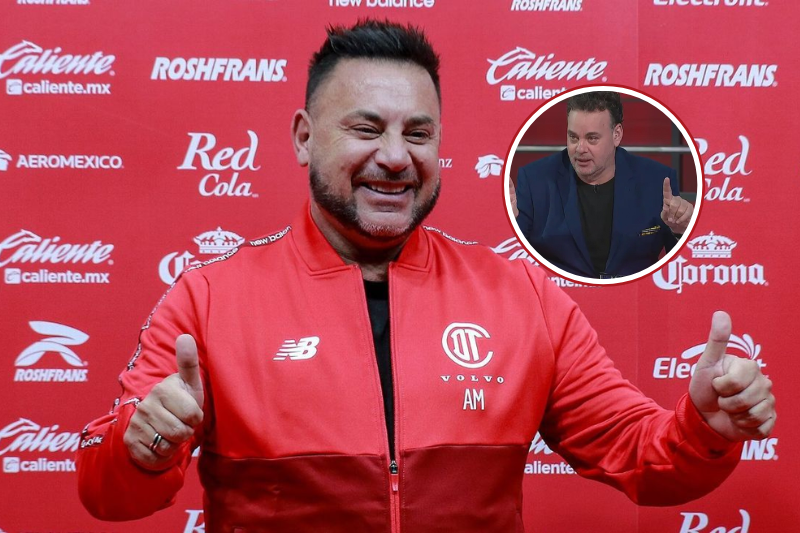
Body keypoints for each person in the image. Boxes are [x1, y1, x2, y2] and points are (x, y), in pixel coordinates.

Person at [77, 21, 775, 532]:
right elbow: (108, 495)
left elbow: (644, 459)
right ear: (303, 137)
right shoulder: (207, 300)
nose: (394, 157)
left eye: (417, 134)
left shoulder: (520, 295)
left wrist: (704, 429)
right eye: (366, 129)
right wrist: (144, 446)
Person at [512, 91, 694, 279]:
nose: (580, 149)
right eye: (573, 137)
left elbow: (681, 265)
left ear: (617, 135)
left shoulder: (657, 180)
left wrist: (680, 231)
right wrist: (510, 221)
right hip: (561, 293)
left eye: (592, 138)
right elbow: (515, 257)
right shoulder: (535, 180)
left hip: (635, 293)